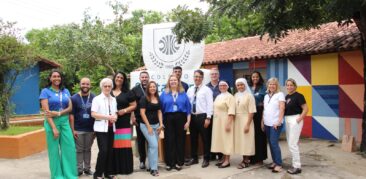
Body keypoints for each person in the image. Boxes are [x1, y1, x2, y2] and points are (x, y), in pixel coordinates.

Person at [39, 69, 77, 179]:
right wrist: (54, 128)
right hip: (52, 123)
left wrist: (59, 113)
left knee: (69, 148)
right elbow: (47, 113)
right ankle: (57, 176)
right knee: (54, 151)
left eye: (58, 76)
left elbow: (70, 108)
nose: (57, 78)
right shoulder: (45, 91)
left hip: (64, 122)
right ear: (50, 78)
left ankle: (69, 175)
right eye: (54, 76)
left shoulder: (66, 91)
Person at [160, 74, 191, 171]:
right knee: (169, 141)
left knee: (180, 140)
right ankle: (170, 163)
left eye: (175, 80)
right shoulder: (164, 94)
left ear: (178, 82)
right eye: (171, 80)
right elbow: (160, 110)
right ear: (168, 82)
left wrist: (188, 122)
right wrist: (161, 122)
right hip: (168, 118)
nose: (173, 82)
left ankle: (179, 162)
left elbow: (188, 109)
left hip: (181, 118)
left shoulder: (183, 93)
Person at [110, 72, 137, 175]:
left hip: (124, 122)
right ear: (114, 78)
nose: (119, 79)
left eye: (121, 78)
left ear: (124, 80)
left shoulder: (128, 92)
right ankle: (114, 168)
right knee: (113, 144)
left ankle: (125, 168)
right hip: (111, 122)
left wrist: (124, 111)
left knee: (124, 144)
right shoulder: (109, 90)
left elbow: (134, 105)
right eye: (118, 77)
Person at [186, 70, 213, 168]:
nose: (197, 78)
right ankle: (194, 158)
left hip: (203, 117)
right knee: (193, 139)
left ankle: (206, 158)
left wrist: (208, 118)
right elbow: (188, 104)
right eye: (195, 76)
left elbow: (210, 104)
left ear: (202, 78)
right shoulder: (190, 89)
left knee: (205, 138)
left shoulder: (207, 90)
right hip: (193, 117)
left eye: (199, 77)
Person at [91, 78, 118, 179]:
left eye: (109, 86)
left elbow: (115, 113)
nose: (107, 88)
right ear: (101, 87)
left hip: (111, 128)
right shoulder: (96, 99)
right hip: (101, 129)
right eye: (105, 86)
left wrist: (115, 117)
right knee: (103, 151)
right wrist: (108, 117)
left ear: (111, 87)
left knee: (110, 151)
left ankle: (108, 173)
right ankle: (98, 174)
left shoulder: (113, 99)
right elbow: (93, 114)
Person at [70, 77, 96, 176]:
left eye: (87, 84)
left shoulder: (94, 97)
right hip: (78, 129)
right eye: (83, 84)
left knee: (88, 149)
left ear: (90, 85)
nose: (85, 86)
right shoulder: (74, 98)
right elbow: (71, 115)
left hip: (90, 129)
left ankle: (87, 169)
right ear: (80, 85)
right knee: (79, 150)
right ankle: (79, 169)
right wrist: (73, 130)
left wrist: (95, 130)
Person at [139, 81, 164, 176]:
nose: (153, 88)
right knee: (154, 145)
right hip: (146, 125)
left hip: (156, 125)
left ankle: (150, 166)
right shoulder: (144, 98)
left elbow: (159, 112)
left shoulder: (158, 98)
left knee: (151, 146)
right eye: (151, 87)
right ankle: (154, 169)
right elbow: (142, 113)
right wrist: (148, 126)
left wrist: (161, 124)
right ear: (148, 88)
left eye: (154, 87)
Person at [284, 78, 308, 175]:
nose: (289, 87)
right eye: (288, 85)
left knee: (293, 144)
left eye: (291, 85)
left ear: (295, 86)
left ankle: (297, 166)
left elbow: (306, 109)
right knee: (290, 143)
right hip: (287, 119)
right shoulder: (286, 97)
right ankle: (295, 164)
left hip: (295, 119)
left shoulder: (299, 96)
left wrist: (299, 119)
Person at [262, 77, 285, 173]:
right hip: (267, 123)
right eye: (270, 84)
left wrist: (279, 121)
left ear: (276, 85)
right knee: (271, 143)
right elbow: (265, 110)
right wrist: (262, 122)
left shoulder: (280, 94)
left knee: (274, 143)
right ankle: (274, 162)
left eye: (274, 84)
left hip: (275, 123)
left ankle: (279, 164)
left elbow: (282, 108)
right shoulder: (266, 95)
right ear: (268, 85)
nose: (271, 86)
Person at [211, 80, 235, 169]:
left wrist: (229, 123)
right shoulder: (218, 96)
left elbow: (231, 111)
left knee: (226, 140)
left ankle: (227, 160)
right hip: (218, 121)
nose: (222, 87)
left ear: (227, 86)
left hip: (225, 120)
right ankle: (223, 158)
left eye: (224, 85)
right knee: (221, 140)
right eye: (220, 86)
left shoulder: (230, 97)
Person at [234, 78, 256, 169]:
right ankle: (243, 159)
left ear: (245, 85)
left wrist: (247, 124)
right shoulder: (235, 95)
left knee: (247, 140)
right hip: (237, 121)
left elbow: (252, 111)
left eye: (241, 84)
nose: (240, 86)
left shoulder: (249, 96)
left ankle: (246, 160)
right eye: (238, 85)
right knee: (241, 141)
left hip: (246, 119)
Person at [248, 71, 268, 165]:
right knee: (251, 135)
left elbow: (260, 97)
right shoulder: (248, 87)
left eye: (256, 77)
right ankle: (252, 158)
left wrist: (251, 97)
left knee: (259, 134)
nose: (255, 78)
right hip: (250, 112)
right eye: (253, 77)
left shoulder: (263, 87)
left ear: (259, 78)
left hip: (259, 112)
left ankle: (260, 158)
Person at [131, 71, 149, 169]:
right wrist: (132, 116)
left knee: (150, 141)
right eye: (143, 77)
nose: (144, 79)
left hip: (151, 119)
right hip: (139, 119)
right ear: (140, 79)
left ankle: (152, 160)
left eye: (146, 77)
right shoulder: (135, 90)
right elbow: (132, 105)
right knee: (141, 140)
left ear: (148, 78)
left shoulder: (152, 88)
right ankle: (142, 161)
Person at [206, 68, 222, 161]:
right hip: (209, 114)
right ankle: (212, 154)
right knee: (210, 135)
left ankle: (220, 154)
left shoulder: (223, 85)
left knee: (219, 135)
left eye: (216, 74)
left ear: (218, 75)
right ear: (210, 76)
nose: (214, 76)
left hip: (220, 115)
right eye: (212, 74)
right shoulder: (206, 87)